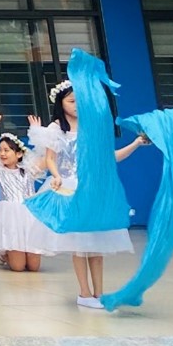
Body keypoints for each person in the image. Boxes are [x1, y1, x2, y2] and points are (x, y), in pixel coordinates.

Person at [29, 79, 148, 309]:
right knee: (80, 245)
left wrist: (135, 143)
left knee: (96, 245)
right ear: (61, 103)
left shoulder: (92, 128)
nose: (77, 105)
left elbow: (110, 157)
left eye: (80, 101)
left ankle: (99, 293)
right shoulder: (56, 129)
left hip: (92, 190)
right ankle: (84, 293)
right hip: (69, 188)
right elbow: (50, 158)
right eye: (72, 101)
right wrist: (56, 175)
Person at [0, 111, 53, 273]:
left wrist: (37, 132)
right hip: (10, 216)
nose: (2, 153)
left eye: (7, 150)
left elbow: (50, 155)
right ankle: (4, 254)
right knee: (18, 267)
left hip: (30, 215)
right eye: (0, 150)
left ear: (19, 153)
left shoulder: (29, 170)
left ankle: (19, 253)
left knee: (34, 267)